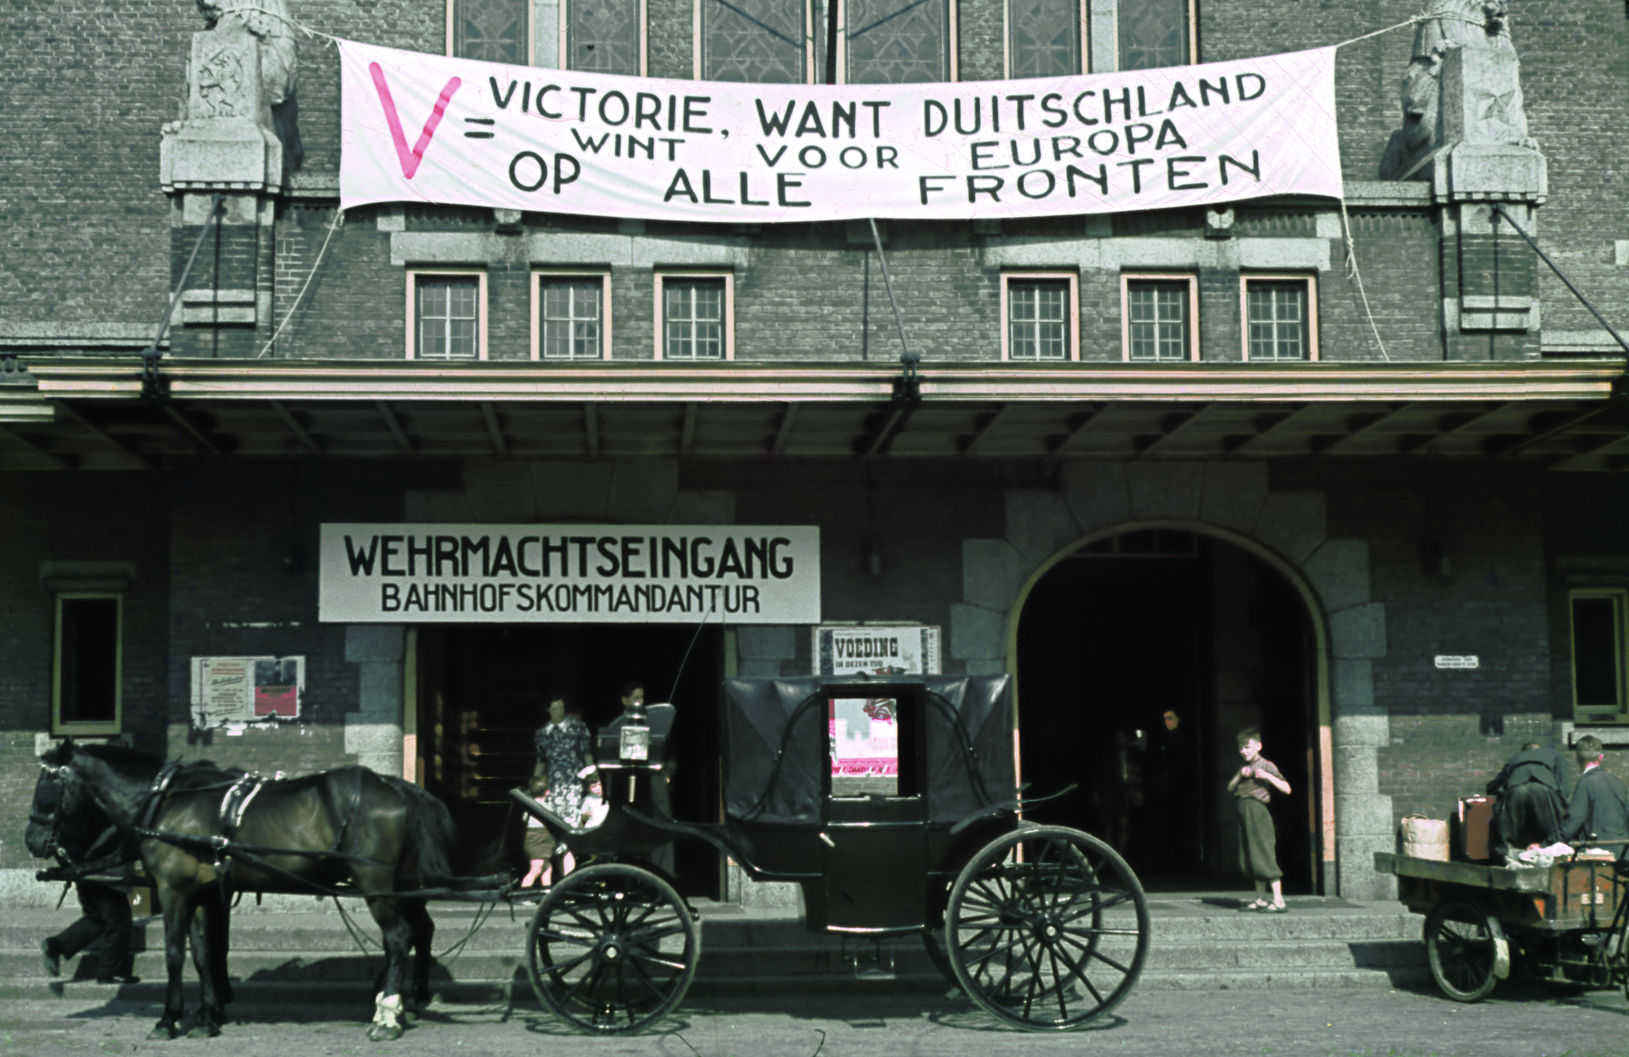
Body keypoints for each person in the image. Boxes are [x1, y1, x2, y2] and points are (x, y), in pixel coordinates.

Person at [35, 777, 138, 983]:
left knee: (97, 918)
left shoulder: (85, 809)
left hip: (86, 871)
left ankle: (56, 946)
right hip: (104, 875)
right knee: (119, 922)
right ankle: (108, 972)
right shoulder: (107, 810)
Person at [1227, 728, 1291, 913]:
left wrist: (1267, 776)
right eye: (1241, 748)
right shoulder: (1242, 767)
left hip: (1258, 812)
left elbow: (1287, 788)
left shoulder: (1266, 765)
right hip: (1244, 811)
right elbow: (1230, 787)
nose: (1243, 751)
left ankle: (1278, 900)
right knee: (1251, 854)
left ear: (1258, 746)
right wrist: (1240, 775)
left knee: (1263, 852)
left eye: (1247, 747)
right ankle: (1261, 899)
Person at [532, 694, 592, 877]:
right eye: (555, 708)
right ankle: (557, 879)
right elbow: (541, 761)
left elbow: (587, 754)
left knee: (571, 833)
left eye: (561, 707)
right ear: (548, 710)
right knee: (553, 835)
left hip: (574, 787)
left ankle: (570, 878)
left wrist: (593, 779)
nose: (559, 711)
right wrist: (534, 784)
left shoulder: (578, 728)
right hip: (553, 789)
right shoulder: (542, 734)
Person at [1484, 741, 1566, 855]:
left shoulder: (1514, 759)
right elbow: (1562, 784)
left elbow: (1495, 784)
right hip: (1542, 789)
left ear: (1524, 751)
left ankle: (1507, 853)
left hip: (1516, 790)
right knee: (1554, 832)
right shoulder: (1553, 755)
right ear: (1539, 750)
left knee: (1506, 830)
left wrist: (1491, 789)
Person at [1560, 735, 1629, 861]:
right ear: (1601, 757)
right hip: (1623, 852)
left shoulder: (1585, 783)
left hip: (1598, 854)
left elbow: (1574, 820)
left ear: (1577, 758)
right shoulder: (1618, 782)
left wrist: (1549, 844)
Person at [1146, 708, 1198, 873]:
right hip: (1163, 789)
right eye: (1165, 719)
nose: (1167, 722)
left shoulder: (1183, 740)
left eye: (1170, 718)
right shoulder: (1160, 739)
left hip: (1180, 789)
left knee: (1180, 825)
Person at [517, 773, 557, 889]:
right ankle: (523, 894)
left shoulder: (529, 806)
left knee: (547, 868)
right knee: (536, 869)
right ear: (547, 792)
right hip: (539, 840)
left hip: (533, 839)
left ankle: (546, 893)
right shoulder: (548, 807)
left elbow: (524, 819)